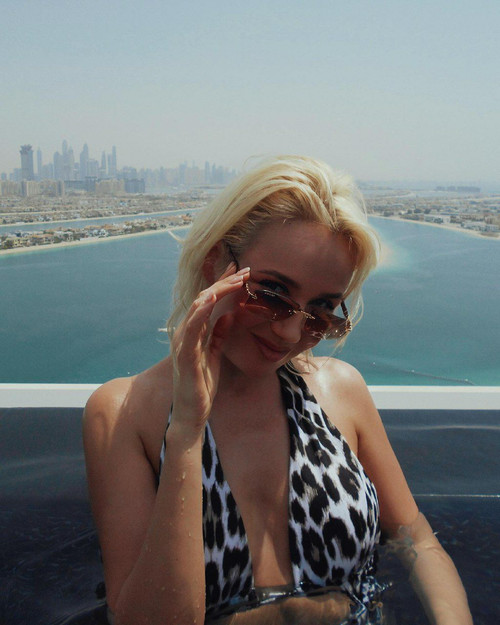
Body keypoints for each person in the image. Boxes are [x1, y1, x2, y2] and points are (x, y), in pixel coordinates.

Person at [83, 155, 473, 625]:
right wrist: (185, 431)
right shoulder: (124, 413)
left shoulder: (340, 390)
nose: (290, 333)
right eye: (270, 293)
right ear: (214, 264)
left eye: (321, 311)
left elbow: (416, 542)